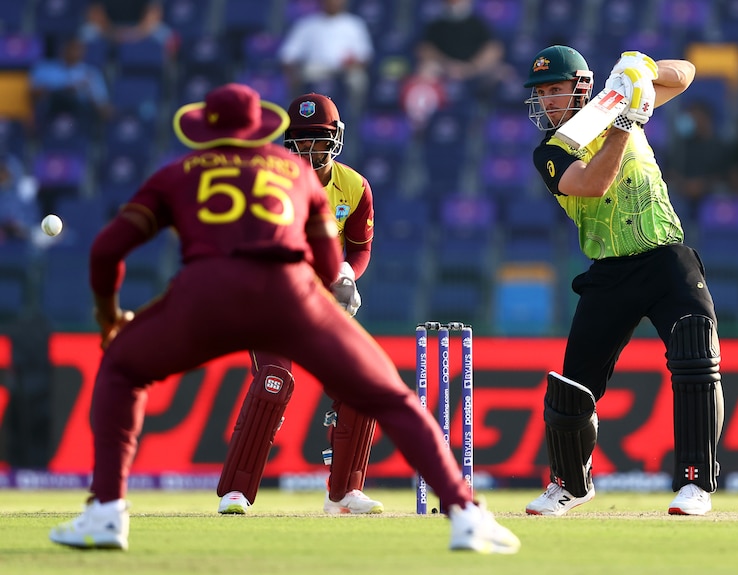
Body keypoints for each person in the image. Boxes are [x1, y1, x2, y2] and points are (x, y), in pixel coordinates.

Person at [47, 82, 519, 554]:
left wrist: (110, 318)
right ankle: (464, 513)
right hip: (290, 296)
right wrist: (339, 285)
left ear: (204, 132)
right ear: (262, 132)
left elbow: (107, 249)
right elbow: (325, 259)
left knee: (121, 370)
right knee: (389, 394)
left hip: (206, 295)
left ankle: (107, 511)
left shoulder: (179, 172)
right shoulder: (292, 173)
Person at [521, 46, 725, 516]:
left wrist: (640, 74)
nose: (548, 100)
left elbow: (688, 73)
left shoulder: (614, 101)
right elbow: (592, 183)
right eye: (542, 92)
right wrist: (625, 124)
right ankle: (570, 484)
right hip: (609, 269)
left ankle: (695, 484)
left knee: (696, 351)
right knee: (573, 389)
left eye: (555, 89)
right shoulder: (552, 149)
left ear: (581, 87)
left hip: (665, 256)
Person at [217, 92, 381, 515]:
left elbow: (360, 249)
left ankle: (344, 493)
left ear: (336, 139)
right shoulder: (267, 183)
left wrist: (345, 274)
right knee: (274, 381)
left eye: (319, 139)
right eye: (301, 141)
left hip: (320, 307)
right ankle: (236, 491)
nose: (310, 149)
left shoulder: (354, 186)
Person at [277, 0, 373, 110]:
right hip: (316, 67)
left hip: (345, 69)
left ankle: (354, 115)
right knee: (298, 76)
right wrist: (292, 72)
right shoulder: (307, 24)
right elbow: (288, 54)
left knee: (359, 80)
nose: (333, 3)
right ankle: (300, 114)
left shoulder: (354, 24)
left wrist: (353, 61)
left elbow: (365, 55)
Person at [28, 36, 112, 126]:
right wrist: (65, 88)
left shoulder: (91, 73)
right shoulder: (44, 68)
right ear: (63, 49)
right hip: (51, 113)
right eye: (73, 48)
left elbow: (102, 106)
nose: (77, 53)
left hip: (80, 115)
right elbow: (33, 94)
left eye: (80, 49)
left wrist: (88, 90)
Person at [665, 100, 729, 208]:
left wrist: (702, 185)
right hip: (683, 191)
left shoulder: (720, 146)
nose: (692, 121)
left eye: (696, 117)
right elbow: (670, 171)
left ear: (706, 119)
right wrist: (684, 184)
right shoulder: (682, 145)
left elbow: (725, 176)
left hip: (711, 193)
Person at [79, 0, 175, 48]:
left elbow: (153, 14)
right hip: (110, 27)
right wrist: (111, 33)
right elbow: (95, 14)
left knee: (166, 35)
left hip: (139, 27)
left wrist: (136, 33)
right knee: (86, 32)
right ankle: (82, 72)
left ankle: (169, 74)